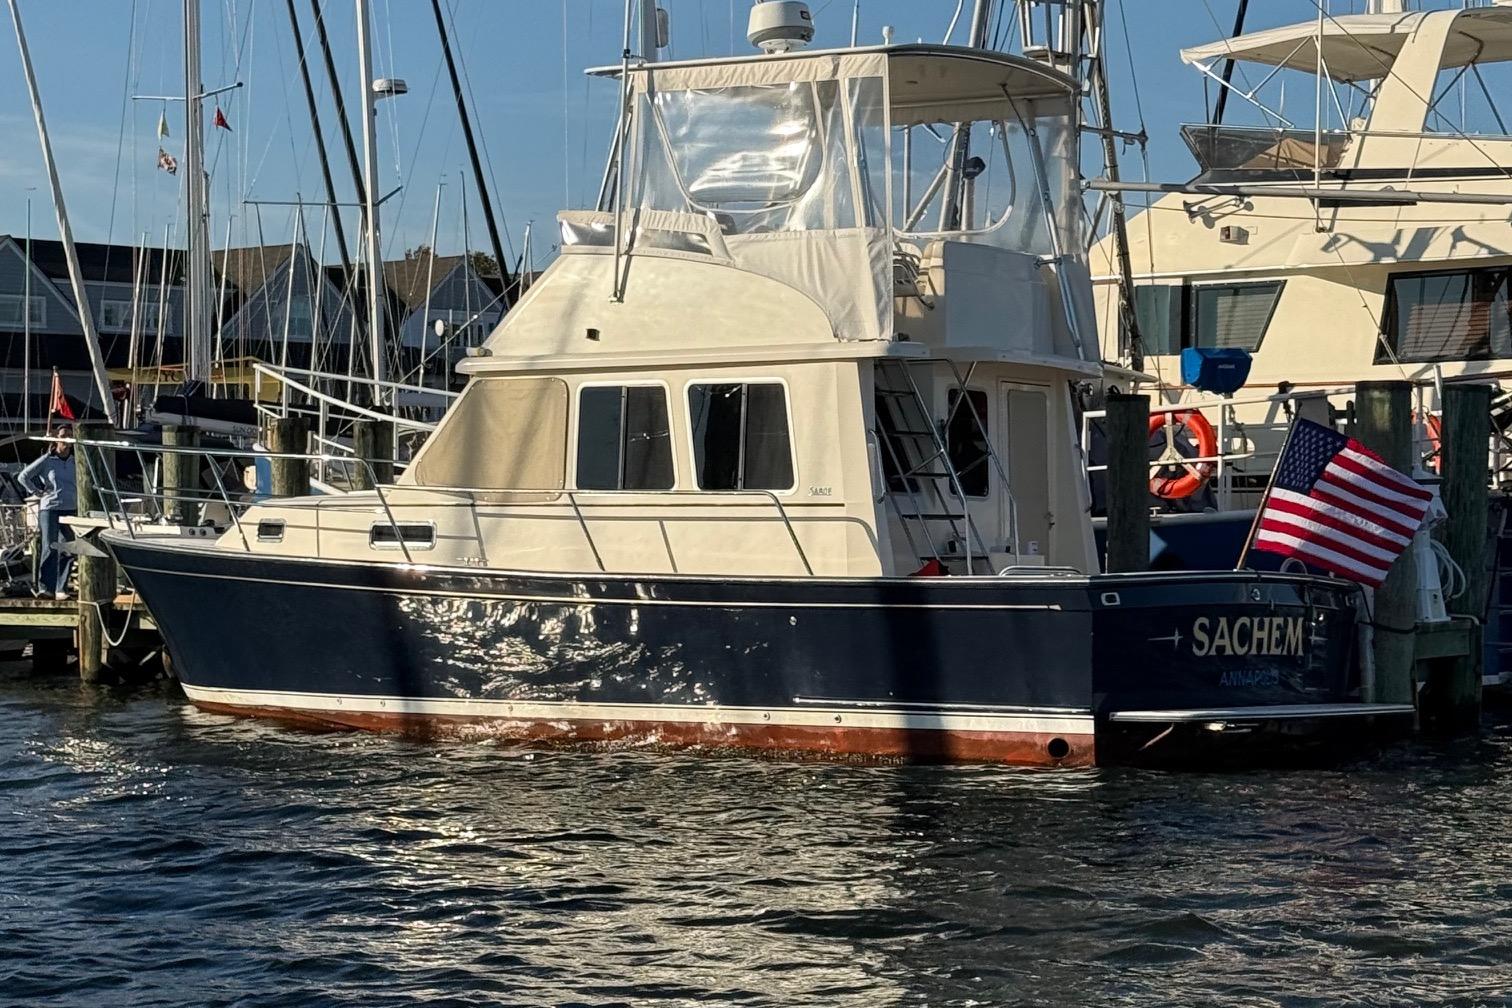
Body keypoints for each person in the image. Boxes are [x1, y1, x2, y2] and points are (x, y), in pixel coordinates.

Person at [20, 426, 77, 600]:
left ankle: (62, 588)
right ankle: (46, 587)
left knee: (68, 548)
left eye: (69, 436)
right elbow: (23, 476)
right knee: (49, 547)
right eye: (62, 436)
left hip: (71, 508)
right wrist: (37, 491)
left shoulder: (76, 460)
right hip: (50, 508)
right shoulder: (47, 460)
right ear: (56, 439)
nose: (66, 439)